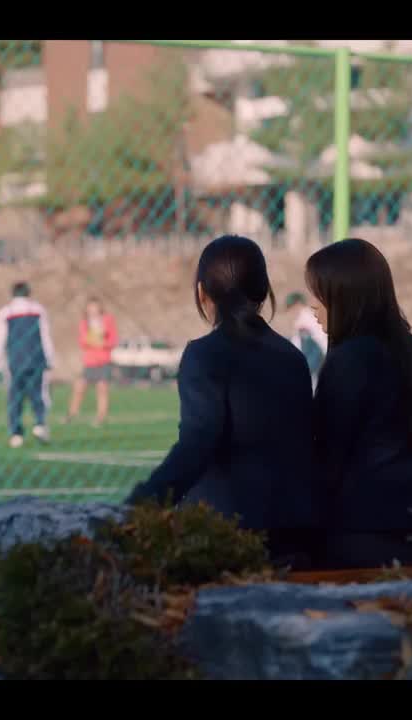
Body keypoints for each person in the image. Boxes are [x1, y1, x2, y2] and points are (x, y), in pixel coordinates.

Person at [125, 235, 319, 568]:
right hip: (295, 529)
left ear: (202, 293)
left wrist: (142, 502)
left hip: (227, 530)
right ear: (264, 291)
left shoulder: (204, 354)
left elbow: (198, 442)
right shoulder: (292, 357)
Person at [304, 238, 412, 569]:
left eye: (319, 294)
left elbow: (328, 458)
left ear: (346, 296)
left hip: (363, 531)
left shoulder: (351, 358)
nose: (312, 306)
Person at [0, 281, 56, 448]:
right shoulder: (38, 310)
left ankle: (16, 433)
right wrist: (50, 358)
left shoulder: (6, 312)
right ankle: (40, 424)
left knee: (15, 398)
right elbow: (45, 335)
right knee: (38, 394)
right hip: (36, 358)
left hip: (16, 360)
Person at [66, 297, 118, 428]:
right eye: (90, 308)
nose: (93, 310)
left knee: (102, 388)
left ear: (100, 308)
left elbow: (113, 340)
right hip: (90, 362)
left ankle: (101, 416)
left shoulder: (107, 320)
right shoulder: (85, 323)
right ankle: (71, 414)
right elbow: (83, 341)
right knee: (79, 386)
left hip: (104, 360)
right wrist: (93, 340)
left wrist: (102, 343)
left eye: (95, 307)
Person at [285, 292, 328, 392]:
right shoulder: (309, 315)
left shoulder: (304, 317)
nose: (291, 311)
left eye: (292, 307)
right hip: (322, 354)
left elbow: (310, 345)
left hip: (318, 355)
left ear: (298, 304)